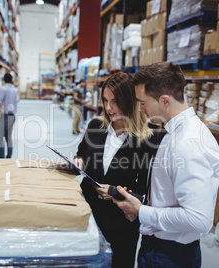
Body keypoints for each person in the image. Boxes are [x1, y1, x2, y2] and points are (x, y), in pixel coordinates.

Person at [113, 62, 219, 268]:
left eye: (143, 102)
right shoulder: (174, 132)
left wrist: (141, 212)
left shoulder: (187, 143)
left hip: (169, 255)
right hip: (162, 248)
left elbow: (197, 219)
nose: (139, 108)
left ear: (165, 100)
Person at [73, 72, 155, 268]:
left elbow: (145, 192)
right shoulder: (95, 127)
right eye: (105, 100)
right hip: (89, 217)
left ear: (129, 101)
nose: (108, 107)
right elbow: (81, 154)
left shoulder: (146, 140)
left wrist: (114, 192)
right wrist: (77, 162)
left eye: (115, 102)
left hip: (121, 225)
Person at [0, 73, 18, 158]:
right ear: (11, 80)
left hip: (4, 116)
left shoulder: (3, 89)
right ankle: (9, 156)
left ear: (3, 80)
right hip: (12, 116)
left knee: (0, 137)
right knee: (9, 137)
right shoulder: (14, 90)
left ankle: (1, 157)